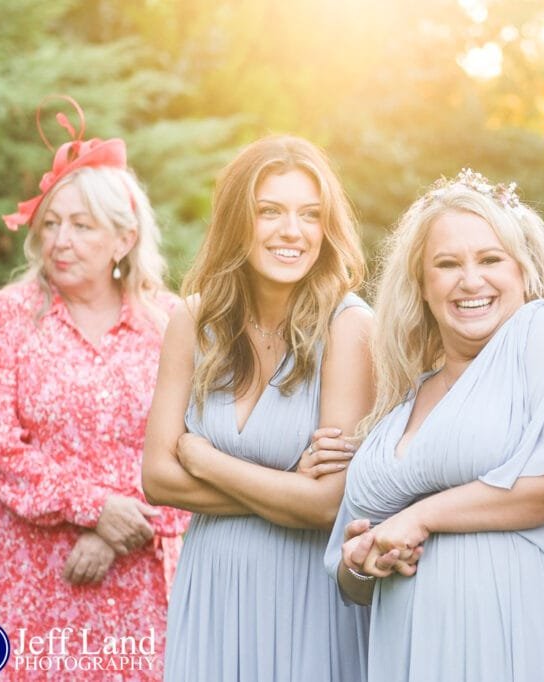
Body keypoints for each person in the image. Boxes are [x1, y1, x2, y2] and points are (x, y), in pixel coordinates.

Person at [325, 170, 544, 682]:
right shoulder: (403, 399)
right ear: (420, 284)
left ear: (526, 271)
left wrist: (420, 517)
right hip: (420, 654)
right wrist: (361, 559)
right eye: (446, 264)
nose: (470, 280)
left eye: (490, 260)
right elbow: (347, 580)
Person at [0, 97, 190, 678]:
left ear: (123, 239)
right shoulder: (6, 316)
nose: (60, 241)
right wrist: (94, 508)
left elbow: (195, 446)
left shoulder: (169, 323)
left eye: (82, 225)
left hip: (140, 577)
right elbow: (0, 451)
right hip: (31, 575)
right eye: (52, 223)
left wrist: (118, 530)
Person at [141, 135, 374, 680]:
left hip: (307, 592)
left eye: (309, 215)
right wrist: (285, 484)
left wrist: (202, 459)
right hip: (211, 583)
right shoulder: (193, 321)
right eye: (270, 211)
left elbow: (324, 506)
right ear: (237, 221)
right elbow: (156, 478)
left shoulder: (349, 327)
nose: (292, 231)